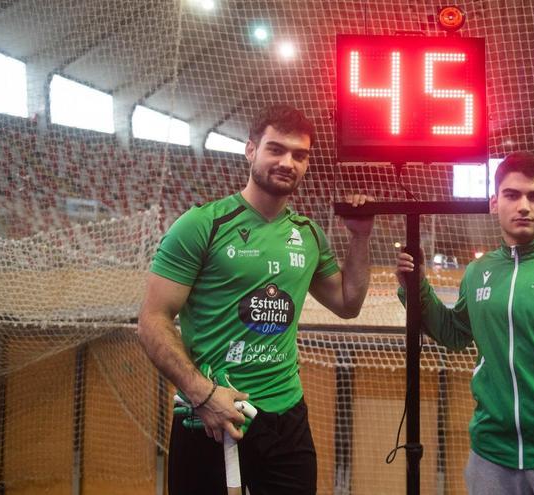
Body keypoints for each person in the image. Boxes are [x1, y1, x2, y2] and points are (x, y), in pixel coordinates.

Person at [138, 104, 373, 495]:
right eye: (275, 149)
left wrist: (361, 236)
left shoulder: (309, 234)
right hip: (210, 417)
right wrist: (203, 395)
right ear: (250, 150)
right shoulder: (202, 225)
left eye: (300, 155)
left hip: (285, 420)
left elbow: (348, 303)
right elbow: (151, 321)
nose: (288, 162)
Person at [396, 152, 534, 495]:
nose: (524, 206)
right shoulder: (478, 272)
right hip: (491, 454)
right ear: (493, 203)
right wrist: (415, 288)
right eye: (512, 195)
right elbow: (454, 334)